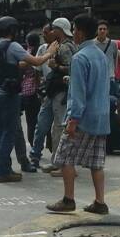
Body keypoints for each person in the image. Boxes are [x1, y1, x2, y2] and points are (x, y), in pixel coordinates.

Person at [46, 14, 111, 215]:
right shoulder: (101, 55)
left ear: (80, 32)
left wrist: (73, 119)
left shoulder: (79, 57)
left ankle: (68, 199)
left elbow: (78, 93)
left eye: (74, 29)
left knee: (65, 156)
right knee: (96, 161)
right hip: (101, 115)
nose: (73, 33)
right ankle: (100, 202)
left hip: (82, 117)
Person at [0, 16, 55, 183]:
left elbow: (13, 65)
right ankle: (3, 172)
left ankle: (1, 167)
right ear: (12, 30)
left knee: (0, 132)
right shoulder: (13, 46)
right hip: (8, 96)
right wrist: (50, 52)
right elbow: (37, 61)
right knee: (8, 133)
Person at [31, 18, 75, 171]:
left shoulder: (65, 48)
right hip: (52, 92)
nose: (50, 32)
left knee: (58, 128)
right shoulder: (56, 46)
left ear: (59, 30)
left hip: (60, 92)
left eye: (54, 29)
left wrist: (56, 66)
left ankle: (58, 162)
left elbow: (72, 69)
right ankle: (38, 156)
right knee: (43, 125)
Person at [21, 32, 43, 147]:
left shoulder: (26, 54)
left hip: (28, 90)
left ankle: (33, 143)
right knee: (41, 120)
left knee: (31, 121)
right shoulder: (42, 52)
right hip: (41, 91)